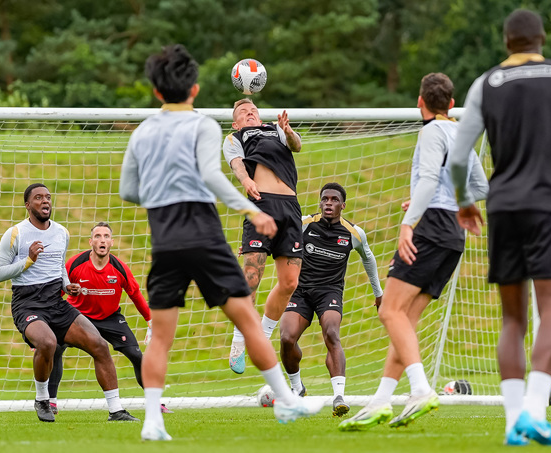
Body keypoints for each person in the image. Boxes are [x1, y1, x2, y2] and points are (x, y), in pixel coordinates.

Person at [119, 44, 323, 441]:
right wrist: (250, 208)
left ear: (157, 91)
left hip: (165, 240)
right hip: (203, 235)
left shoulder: (143, 131)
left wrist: (160, 197)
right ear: (194, 90)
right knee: (246, 319)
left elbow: (129, 189)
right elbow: (213, 176)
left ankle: (152, 422)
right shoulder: (206, 127)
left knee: (161, 335)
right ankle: (287, 400)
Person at [450, 9, 551, 448]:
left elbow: (458, 158)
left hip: (503, 208)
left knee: (512, 318)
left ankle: (514, 422)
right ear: (542, 39)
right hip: (547, 206)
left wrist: (465, 202)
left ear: (506, 42)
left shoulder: (486, 83)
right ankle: (535, 410)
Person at [339, 73, 488, 432]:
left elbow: (428, 179)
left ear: (420, 102)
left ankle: (421, 390)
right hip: (453, 234)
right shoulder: (461, 133)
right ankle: (381, 400)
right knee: (405, 318)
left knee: (389, 310)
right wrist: (440, 200)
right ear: (451, 104)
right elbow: (482, 186)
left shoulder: (431, 131)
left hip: (431, 228)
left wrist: (409, 222)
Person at [0, 184, 137, 423]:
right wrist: (28, 261)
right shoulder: (15, 233)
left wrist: (66, 285)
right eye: (38, 198)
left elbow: (59, 267)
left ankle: (116, 410)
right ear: (27, 205)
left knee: (99, 345)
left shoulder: (61, 232)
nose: (45, 201)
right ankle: (42, 399)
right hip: (27, 304)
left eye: (48, 197)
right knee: (48, 343)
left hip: (56, 302)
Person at [280, 182, 383, 417]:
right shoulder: (305, 224)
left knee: (332, 333)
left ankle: (339, 397)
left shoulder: (354, 233)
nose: (328, 203)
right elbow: (278, 235)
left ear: (342, 205)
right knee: (286, 338)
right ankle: (297, 388)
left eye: (334, 200)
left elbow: (369, 259)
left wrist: (378, 294)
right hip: (300, 292)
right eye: (325, 199)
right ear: (320, 202)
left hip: (330, 292)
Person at [47, 222, 171, 415]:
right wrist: (47, 326)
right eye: (97, 236)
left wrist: (150, 320)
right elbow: (57, 292)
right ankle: (51, 402)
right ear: (91, 242)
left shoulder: (119, 268)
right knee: (55, 348)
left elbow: (135, 294)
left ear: (112, 242)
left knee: (137, 356)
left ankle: (155, 402)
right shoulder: (75, 264)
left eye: (106, 236)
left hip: (110, 318)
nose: (102, 240)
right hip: (77, 317)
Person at [223, 98, 303, 374]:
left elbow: (296, 146)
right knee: (251, 276)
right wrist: (246, 180)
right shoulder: (235, 138)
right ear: (236, 123)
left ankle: (263, 336)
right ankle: (238, 341)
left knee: (290, 282)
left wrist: (288, 131)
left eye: (253, 110)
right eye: (243, 112)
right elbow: (237, 163)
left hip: (290, 208)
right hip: (261, 204)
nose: (249, 113)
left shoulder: (275, 129)